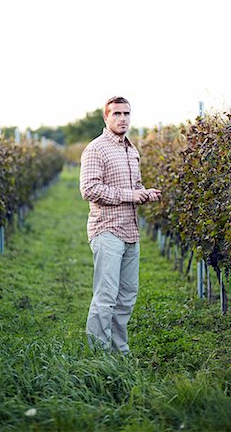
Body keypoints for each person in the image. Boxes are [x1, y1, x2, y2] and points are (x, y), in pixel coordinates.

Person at [80, 96, 161, 355]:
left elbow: (133, 188)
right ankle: (98, 355)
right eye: (116, 114)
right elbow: (89, 189)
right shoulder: (96, 149)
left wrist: (145, 192)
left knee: (126, 296)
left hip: (130, 231)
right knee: (106, 297)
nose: (122, 118)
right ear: (106, 117)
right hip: (107, 230)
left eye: (126, 113)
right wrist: (129, 195)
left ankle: (119, 352)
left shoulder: (131, 150)